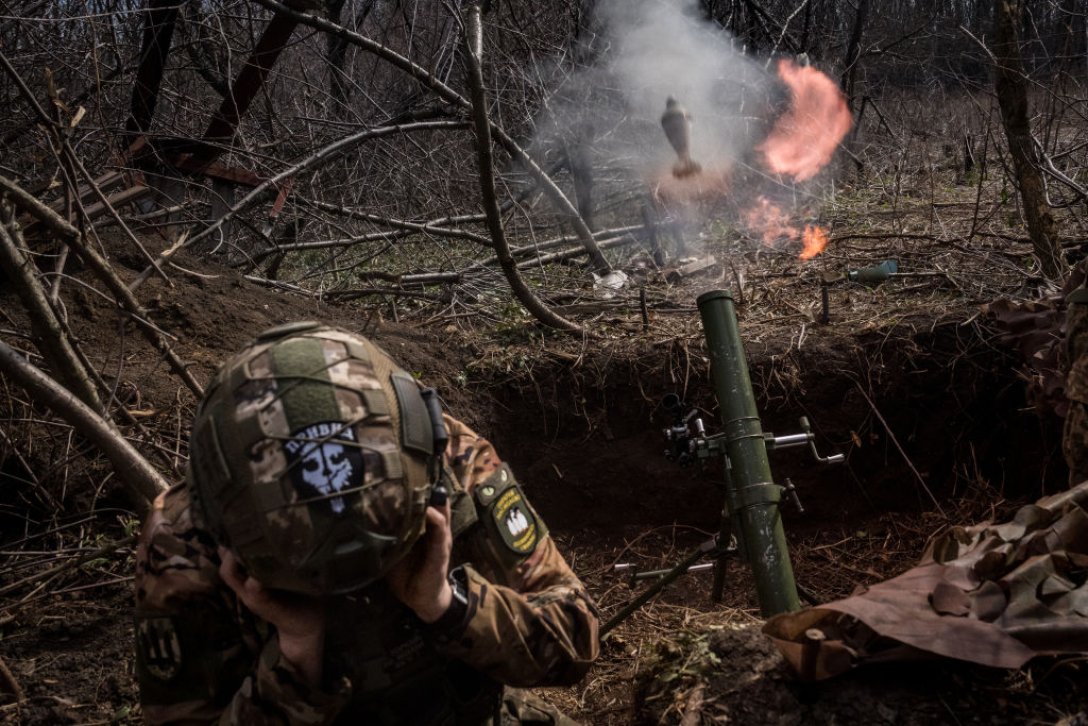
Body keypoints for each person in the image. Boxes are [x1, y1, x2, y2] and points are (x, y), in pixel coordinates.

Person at [134, 322, 599, 724]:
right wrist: (295, 657)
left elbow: (575, 636)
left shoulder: (445, 459)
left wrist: (447, 604)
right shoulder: (184, 544)